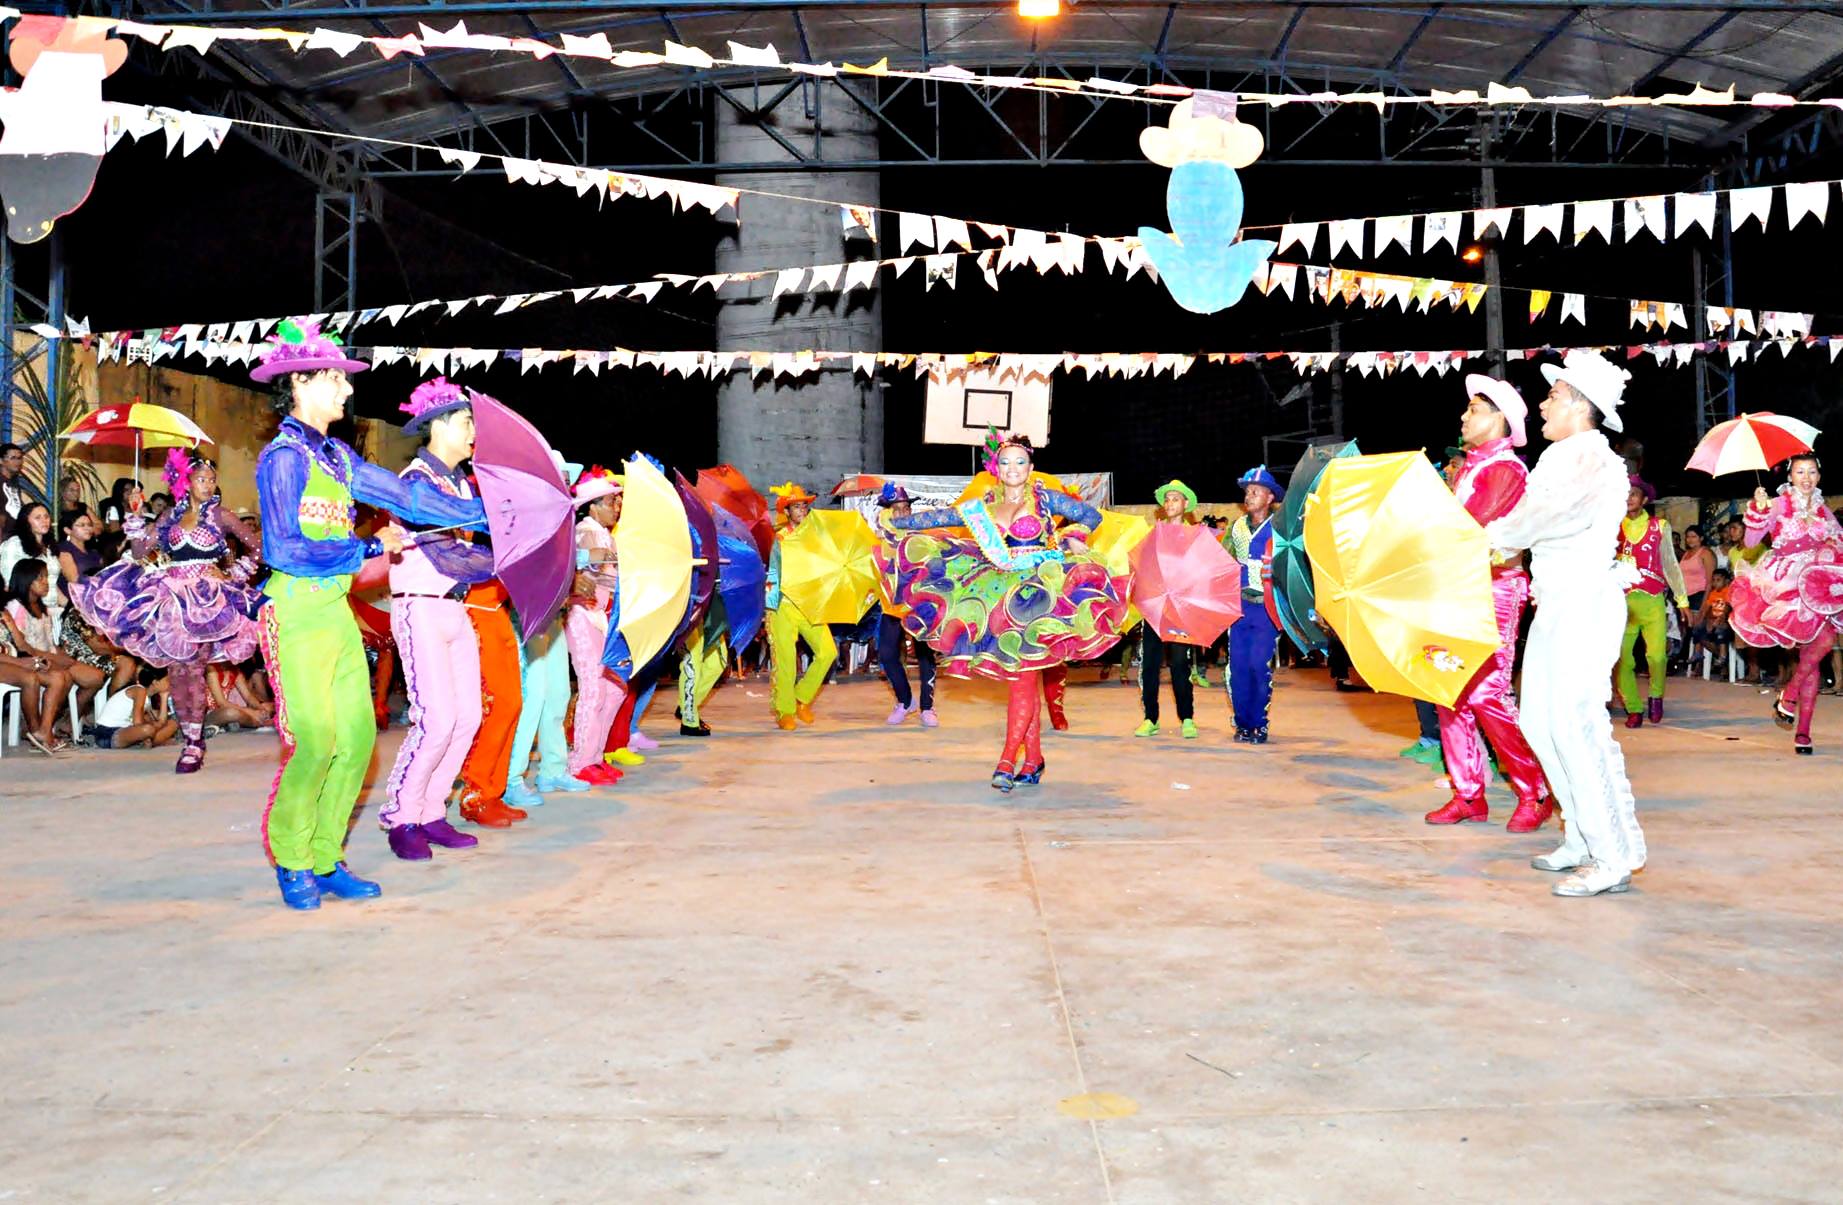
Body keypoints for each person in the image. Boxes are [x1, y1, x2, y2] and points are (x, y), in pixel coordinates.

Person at [251, 318, 486, 910]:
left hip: (335, 609)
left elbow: (408, 497)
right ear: (300, 383)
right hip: (294, 610)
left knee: (357, 741)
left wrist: (492, 517)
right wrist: (363, 548)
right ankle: (293, 860)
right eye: (335, 378)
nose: (348, 389)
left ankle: (326, 857)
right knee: (314, 741)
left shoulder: (335, 456)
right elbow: (284, 549)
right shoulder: (282, 458)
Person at [879, 433, 1129, 789]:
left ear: (1030, 467)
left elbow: (1090, 515)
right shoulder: (983, 505)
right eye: (1006, 462)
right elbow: (941, 516)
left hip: (1038, 597)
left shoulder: (1045, 499)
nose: (1013, 468)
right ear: (996, 468)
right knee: (1021, 680)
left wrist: (1073, 535)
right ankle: (1034, 760)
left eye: (1020, 462)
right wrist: (899, 523)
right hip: (998, 596)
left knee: (1023, 680)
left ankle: (1007, 761)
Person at [1485, 349, 1647, 897]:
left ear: (1579, 405)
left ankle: (1611, 855)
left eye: (1552, 396)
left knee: (1576, 726)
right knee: (1539, 721)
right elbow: (1535, 524)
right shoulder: (1566, 454)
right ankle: (1579, 835)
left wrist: (1491, 538)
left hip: (1583, 602)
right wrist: (1498, 541)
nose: (1543, 404)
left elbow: (1547, 517)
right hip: (1557, 603)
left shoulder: (1589, 456)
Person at [69, 448, 262, 772]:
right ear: (187, 482)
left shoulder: (221, 515)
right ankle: (191, 735)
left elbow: (257, 546)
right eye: (201, 479)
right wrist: (134, 522)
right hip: (172, 600)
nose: (208, 485)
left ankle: (193, 743)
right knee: (178, 672)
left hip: (206, 601)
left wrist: (234, 574)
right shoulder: (171, 515)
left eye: (212, 480)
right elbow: (141, 552)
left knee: (195, 669)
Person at [381, 378, 506, 856]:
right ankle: (402, 816)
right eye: (466, 422)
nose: (474, 431)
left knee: (468, 716)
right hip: (421, 606)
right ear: (437, 426)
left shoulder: (459, 483)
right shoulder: (416, 482)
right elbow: (446, 555)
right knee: (435, 720)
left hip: (455, 607)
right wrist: (505, 562)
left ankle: (432, 811)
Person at [1425, 375, 1552, 832]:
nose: (1464, 416)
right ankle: (1468, 795)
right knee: (1450, 693)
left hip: (1494, 589)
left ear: (1500, 419)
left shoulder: (1506, 469)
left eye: (1474, 409)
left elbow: (1469, 528)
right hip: (1459, 586)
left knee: (1487, 693)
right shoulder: (1471, 467)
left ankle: (1534, 791)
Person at [502, 458, 614, 806]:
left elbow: (561, 560)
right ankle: (512, 777)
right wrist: (577, 569)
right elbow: (526, 562)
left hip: (555, 613)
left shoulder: (559, 520)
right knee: (533, 695)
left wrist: (577, 570)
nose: (565, 484)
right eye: (560, 478)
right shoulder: (525, 516)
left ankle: (552, 769)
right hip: (531, 614)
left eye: (567, 479)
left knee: (558, 694)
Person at [1731, 454, 1843, 755]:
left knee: (1822, 645)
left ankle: (1791, 699)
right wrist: (1758, 510)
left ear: (1819, 476)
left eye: (1812, 472)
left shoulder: (1822, 509)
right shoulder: (1778, 504)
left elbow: (1838, 539)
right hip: (1787, 583)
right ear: (1790, 476)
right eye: (1800, 472)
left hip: (1818, 584)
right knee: (1811, 656)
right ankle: (1801, 729)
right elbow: (1751, 542)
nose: (1806, 478)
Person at [1614, 478, 1690, 728]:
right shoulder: (1612, 526)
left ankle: (1656, 696)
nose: (1629, 498)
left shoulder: (1660, 526)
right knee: (1622, 659)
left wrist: (1682, 600)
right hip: (1621, 602)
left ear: (1644, 499)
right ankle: (1633, 708)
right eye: (1625, 493)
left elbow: (1670, 563)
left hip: (1652, 599)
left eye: (1634, 494)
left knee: (1657, 657)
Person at [568, 467, 626, 785]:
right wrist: (609, 556)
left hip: (601, 618)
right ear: (593, 506)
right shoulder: (585, 529)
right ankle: (580, 762)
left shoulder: (606, 535)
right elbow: (578, 559)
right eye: (611, 502)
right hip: (580, 615)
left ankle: (595, 756)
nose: (616, 507)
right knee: (594, 688)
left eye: (617, 502)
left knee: (615, 689)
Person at [5, 557, 109, 732]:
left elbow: (50, 643)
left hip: (49, 655)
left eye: (46, 577)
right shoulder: (16, 606)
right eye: (40, 578)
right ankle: (43, 725)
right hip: (32, 659)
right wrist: (53, 658)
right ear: (26, 580)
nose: (46, 582)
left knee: (96, 677)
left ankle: (65, 719)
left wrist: (63, 656)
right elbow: (21, 646)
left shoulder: (41, 606)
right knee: (66, 677)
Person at [765, 483, 837, 731]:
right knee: (786, 661)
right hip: (784, 604)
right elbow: (773, 572)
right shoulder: (781, 538)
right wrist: (771, 607)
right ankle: (784, 710)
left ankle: (800, 698)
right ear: (787, 512)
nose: (802, 510)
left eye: (804, 506)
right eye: (796, 507)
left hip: (810, 604)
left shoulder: (816, 537)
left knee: (827, 652)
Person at [1136, 479, 1202, 739]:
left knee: (1179, 664)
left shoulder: (1195, 537)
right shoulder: (1154, 534)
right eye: (1167, 499)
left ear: (1185, 504)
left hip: (1180, 610)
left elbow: (1201, 573)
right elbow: (1142, 567)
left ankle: (1187, 718)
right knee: (1150, 665)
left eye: (1176, 499)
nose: (1170, 503)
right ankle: (1150, 718)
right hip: (1155, 608)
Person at [1224, 466, 1283, 743]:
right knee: (1237, 667)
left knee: (1258, 665)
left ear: (1270, 497)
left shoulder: (1280, 529)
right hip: (1239, 607)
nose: (1249, 496)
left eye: (1255, 492)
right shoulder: (1236, 527)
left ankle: (1259, 723)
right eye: (1247, 492)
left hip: (1266, 609)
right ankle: (1243, 723)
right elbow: (1222, 561)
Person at [873, 484, 937, 728]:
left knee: (925, 654)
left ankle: (927, 707)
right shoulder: (882, 536)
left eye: (905, 508)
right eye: (896, 509)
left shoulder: (921, 534)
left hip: (920, 602)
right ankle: (905, 700)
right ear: (888, 512)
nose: (901, 513)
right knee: (887, 653)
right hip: (893, 602)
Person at [0, 586, 73, 755]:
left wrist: (37, 660)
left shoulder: (3, 613)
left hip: (11, 659)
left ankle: (44, 730)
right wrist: (21, 663)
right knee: (29, 678)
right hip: (6, 661)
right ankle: (34, 730)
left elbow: (21, 645)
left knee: (58, 677)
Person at [90, 664, 179, 750]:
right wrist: (155, 726)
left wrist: (164, 696)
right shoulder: (139, 690)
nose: (169, 682)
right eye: (167, 680)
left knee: (172, 724)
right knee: (148, 730)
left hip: (125, 731)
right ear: (155, 682)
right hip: (107, 734)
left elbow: (161, 721)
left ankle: (153, 741)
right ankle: (155, 741)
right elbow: (137, 722)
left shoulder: (147, 697)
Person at [1687, 567, 1735, 672]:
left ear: (1726, 581)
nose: (1715, 583)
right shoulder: (1713, 593)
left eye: (1718, 580)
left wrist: (1721, 618)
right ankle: (1698, 653)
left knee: (1720, 631)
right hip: (1713, 621)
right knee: (1697, 629)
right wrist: (1702, 618)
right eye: (1713, 580)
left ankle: (1723, 655)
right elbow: (1707, 607)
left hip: (1724, 622)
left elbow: (1727, 607)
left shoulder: (1728, 591)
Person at [57, 508, 102, 586]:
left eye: (89, 525)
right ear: (67, 530)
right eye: (82, 525)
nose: (87, 528)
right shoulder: (63, 549)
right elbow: (74, 580)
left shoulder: (94, 552)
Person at [1679, 525, 1715, 615]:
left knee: (1696, 623)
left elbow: (1710, 582)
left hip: (1698, 596)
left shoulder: (1705, 553)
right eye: (1688, 537)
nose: (1690, 539)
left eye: (1694, 536)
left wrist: (1704, 605)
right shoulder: (1686, 553)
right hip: (1684, 597)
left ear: (1701, 538)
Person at [0, 442, 24, 540]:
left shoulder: (14, 483)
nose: (18, 462)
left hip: (15, 537)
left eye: (20, 458)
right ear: (1, 460)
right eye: (13, 458)